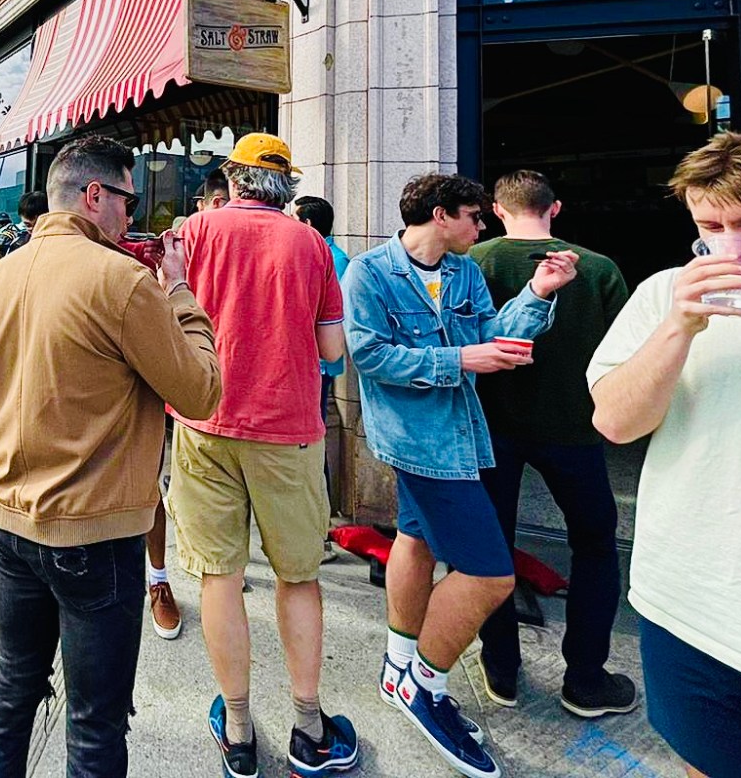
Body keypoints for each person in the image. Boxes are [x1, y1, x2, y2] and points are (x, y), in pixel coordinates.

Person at [0, 135, 222, 778]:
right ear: (95, 195)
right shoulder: (125, 283)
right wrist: (181, 294)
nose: (133, 216)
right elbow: (201, 391)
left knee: (13, 690)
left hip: (9, 527)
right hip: (96, 536)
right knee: (96, 721)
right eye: (129, 199)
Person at [587, 133, 741, 778]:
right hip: (693, 603)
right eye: (709, 226)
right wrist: (679, 328)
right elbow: (615, 423)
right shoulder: (666, 294)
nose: (732, 244)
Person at [343, 173, 578, 778]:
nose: (483, 226)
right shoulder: (370, 272)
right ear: (442, 214)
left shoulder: (462, 272)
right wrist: (461, 359)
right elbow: (368, 355)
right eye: (475, 216)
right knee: (490, 576)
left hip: (456, 435)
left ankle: (399, 663)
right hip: (418, 441)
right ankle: (424, 684)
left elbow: (488, 334)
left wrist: (538, 291)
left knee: (414, 540)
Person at [172, 134, 360, 776]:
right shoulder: (310, 243)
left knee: (220, 577)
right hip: (289, 429)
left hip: (204, 422)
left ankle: (241, 728)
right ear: (286, 186)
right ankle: (309, 726)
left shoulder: (193, 233)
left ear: (234, 177)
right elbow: (333, 351)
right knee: (298, 576)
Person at [471, 171, 635, 717]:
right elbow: (625, 351)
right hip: (575, 428)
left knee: (492, 546)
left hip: (494, 426)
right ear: (555, 208)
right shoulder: (600, 268)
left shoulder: (476, 262)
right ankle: (586, 677)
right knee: (594, 544)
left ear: (496, 209)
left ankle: (501, 669)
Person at [148, 172, 229, 637]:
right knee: (151, 487)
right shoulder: (179, 248)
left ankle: (190, 576)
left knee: (160, 490)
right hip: (177, 390)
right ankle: (162, 579)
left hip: (210, 396)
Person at [295, 194, 350, 558]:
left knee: (311, 448)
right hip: (316, 365)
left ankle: (319, 533)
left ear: (310, 225)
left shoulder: (328, 258)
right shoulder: (332, 255)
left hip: (316, 366)